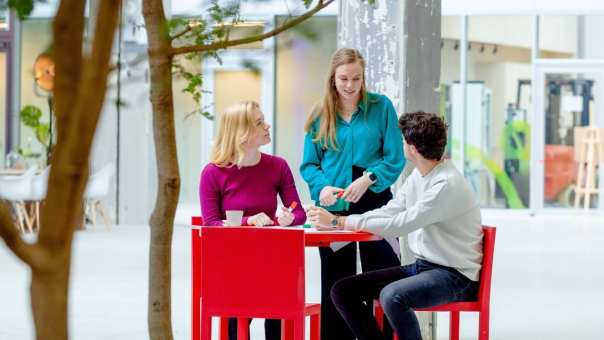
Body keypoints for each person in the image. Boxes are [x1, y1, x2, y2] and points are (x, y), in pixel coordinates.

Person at [306, 111, 483, 340]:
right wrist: (341, 222)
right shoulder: (421, 175)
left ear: (411, 148)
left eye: (402, 141)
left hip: (456, 277)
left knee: (392, 296)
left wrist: (337, 221)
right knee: (342, 290)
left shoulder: (445, 184)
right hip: (424, 267)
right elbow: (392, 209)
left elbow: (401, 224)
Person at [300, 47, 406, 340]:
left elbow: (395, 158)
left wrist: (369, 178)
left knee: (384, 280)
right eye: (344, 78)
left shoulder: (381, 107)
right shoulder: (320, 115)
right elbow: (309, 165)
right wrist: (322, 188)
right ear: (332, 78)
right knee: (336, 284)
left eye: (356, 79)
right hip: (331, 210)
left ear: (363, 78)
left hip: (376, 205)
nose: (350, 85)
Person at [199, 100, 306, 340]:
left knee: (278, 297)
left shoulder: (277, 166)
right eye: (259, 123)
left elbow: (299, 212)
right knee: (240, 309)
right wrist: (248, 221)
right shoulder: (212, 173)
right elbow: (211, 224)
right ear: (241, 133)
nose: (267, 125)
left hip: (272, 262)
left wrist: (288, 219)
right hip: (232, 265)